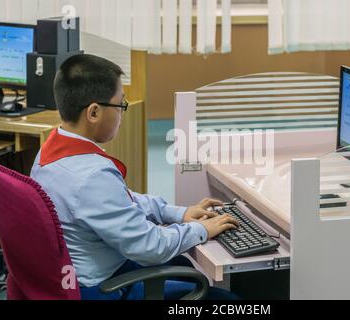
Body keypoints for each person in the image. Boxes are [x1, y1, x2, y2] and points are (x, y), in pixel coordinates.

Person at [30, 54, 239, 300]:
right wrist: (200, 229)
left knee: (184, 265)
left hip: (81, 271)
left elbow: (122, 200)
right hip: (100, 289)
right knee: (227, 301)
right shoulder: (91, 176)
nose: (122, 113)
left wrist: (177, 213)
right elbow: (152, 248)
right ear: (94, 112)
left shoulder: (51, 151)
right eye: (121, 105)